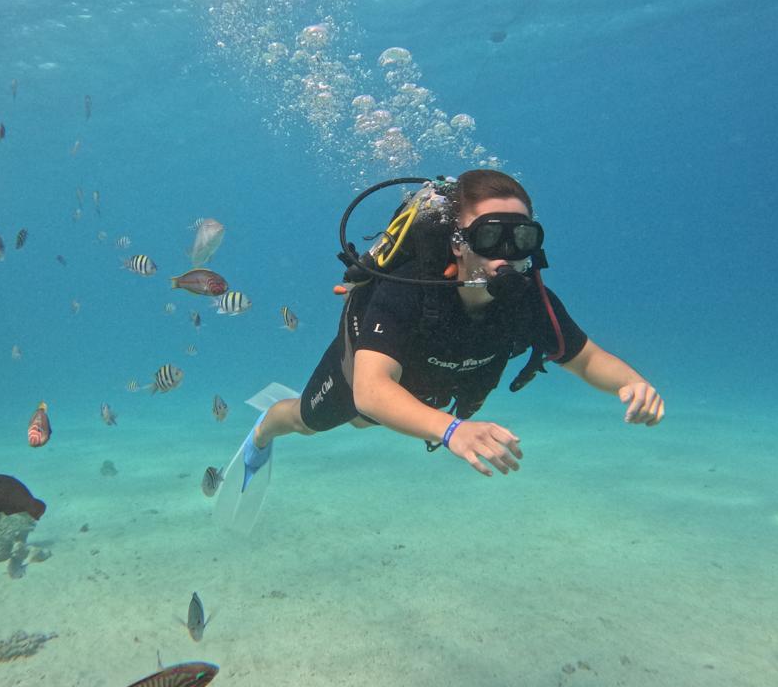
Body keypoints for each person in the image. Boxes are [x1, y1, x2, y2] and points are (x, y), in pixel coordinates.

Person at [237, 168, 663, 482]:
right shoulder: (409, 289)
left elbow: (585, 358)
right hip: (368, 374)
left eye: (523, 239)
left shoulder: (529, 301)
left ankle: (385, 417)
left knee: (369, 421)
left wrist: (633, 382)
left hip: (424, 388)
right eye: (491, 237)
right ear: (458, 243)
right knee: (313, 421)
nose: (507, 255)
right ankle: (262, 431)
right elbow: (370, 389)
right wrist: (452, 429)